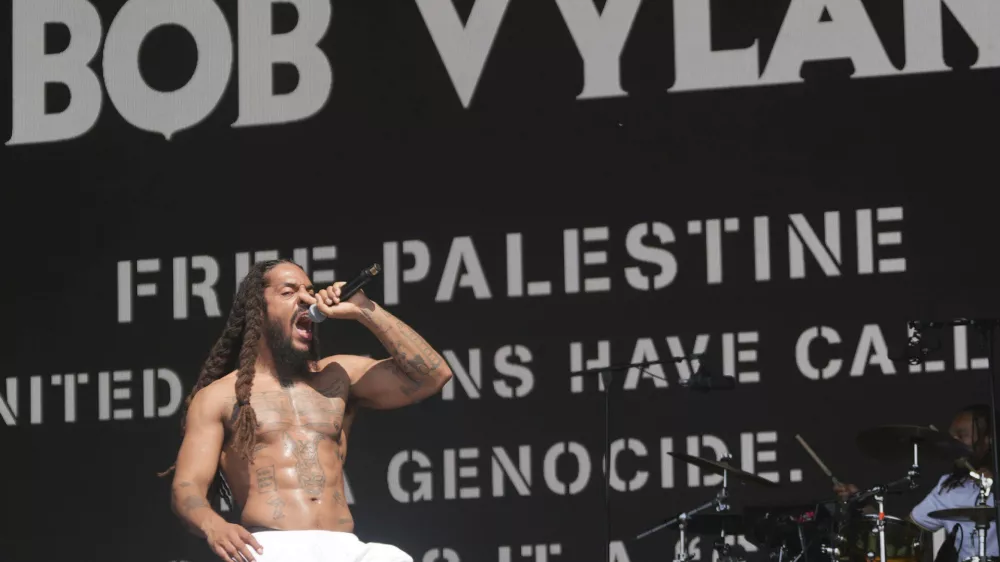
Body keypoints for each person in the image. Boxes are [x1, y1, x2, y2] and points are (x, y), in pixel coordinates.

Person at [161, 259, 454, 562]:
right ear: (257, 312)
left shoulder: (338, 376)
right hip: (271, 549)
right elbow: (187, 486)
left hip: (344, 547)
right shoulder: (221, 396)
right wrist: (214, 525)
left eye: (309, 290)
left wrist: (364, 309)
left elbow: (432, 376)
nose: (307, 298)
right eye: (289, 292)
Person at [833, 405, 997, 562]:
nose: (953, 442)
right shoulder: (949, 487)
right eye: (951, 436)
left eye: (961, 436)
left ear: (989, 440)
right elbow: (904, 532)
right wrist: (861, 501)